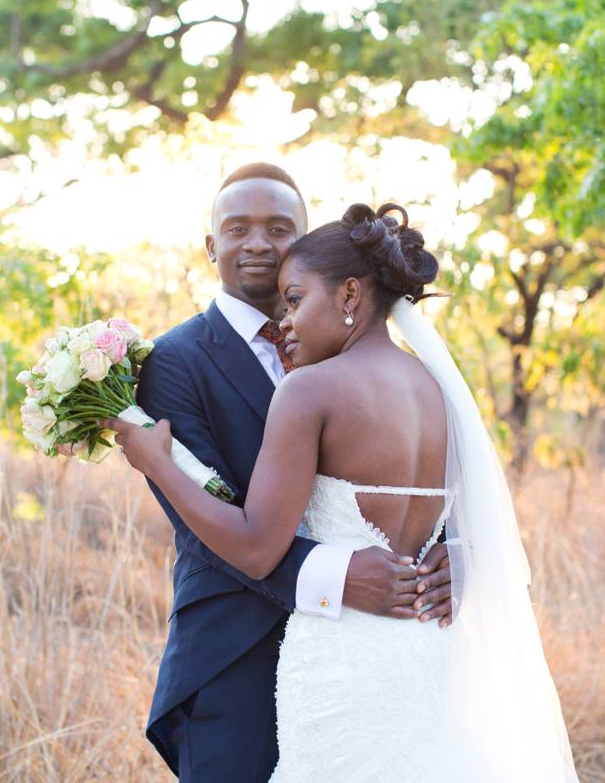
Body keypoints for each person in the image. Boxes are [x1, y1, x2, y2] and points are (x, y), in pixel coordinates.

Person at [105, 202, 580, 780]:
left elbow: (257, 547)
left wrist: (159, 466)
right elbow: (467, 516)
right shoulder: (437, 389)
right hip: (427, 652)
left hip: (342, 661)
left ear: (350, 296)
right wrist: (461, 555)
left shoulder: (309, 392)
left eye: (296, 300)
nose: (285, 320)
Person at [123, 165, 454, 781]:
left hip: (374, 650)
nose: (257, 243)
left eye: (278, 229)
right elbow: (208, 526)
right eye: (237, 228)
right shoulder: (174, 361)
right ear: (210, 246)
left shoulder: (353, 365)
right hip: (237, 656)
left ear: (303, 241)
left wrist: (447, 555)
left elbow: (442, 490)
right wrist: (338, 575)